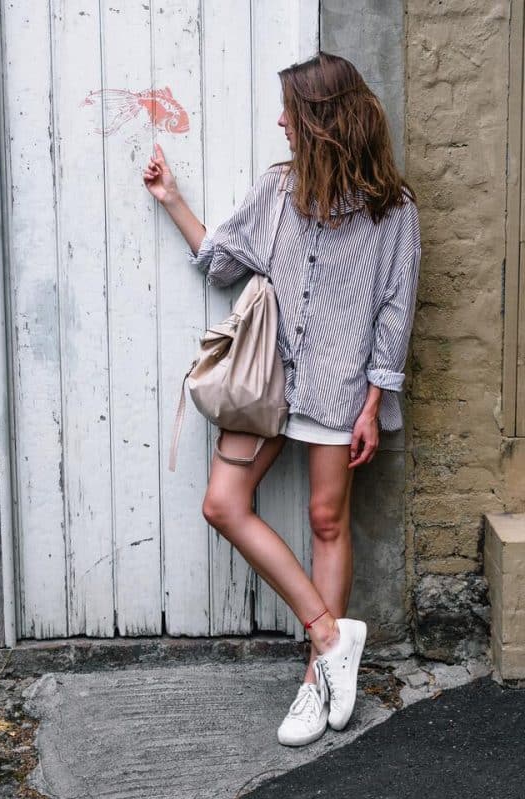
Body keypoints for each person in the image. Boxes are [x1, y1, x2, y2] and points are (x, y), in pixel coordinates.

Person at [143, 51, 421, 748]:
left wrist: (373, 403)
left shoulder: (393, 209)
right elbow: (223, 261)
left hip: (338, 387)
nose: (279, 121)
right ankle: (331, 640)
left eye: (290, 110)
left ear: (323, 120)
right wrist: (174, 199)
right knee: (222, 505)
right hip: (268, 380)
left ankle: (313, 682)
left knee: (327, 520)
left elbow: (395, 310)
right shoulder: (277, 190)